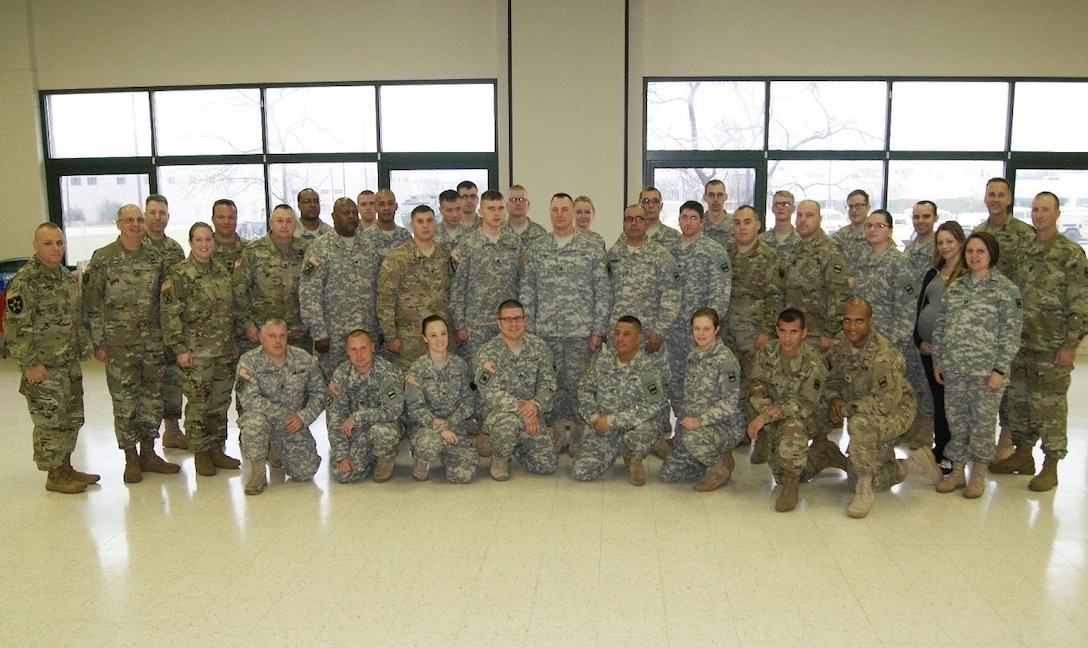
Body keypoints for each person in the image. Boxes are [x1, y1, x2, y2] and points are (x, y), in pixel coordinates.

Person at [991, 192, 1088, 491]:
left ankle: (1051, 465)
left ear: (1057, 214)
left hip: (1052, 345)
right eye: (1035, 209)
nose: (1039, 215)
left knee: (1049, 406)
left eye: (1045, 209)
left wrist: (1071, 343)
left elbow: (1080, 303)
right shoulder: (1023, 251)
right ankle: (1023, 455)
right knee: (1017, 402)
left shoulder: (1070, 253)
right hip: (1020, 343)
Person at [83, 204, 180, 483]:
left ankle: (149, 453)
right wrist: (99, 342)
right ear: (118, 224)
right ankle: (131, 458)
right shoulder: (103, 259)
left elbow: (166, 301)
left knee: (152, 399)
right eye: (129, 220)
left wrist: (167, 338)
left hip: (152, 342)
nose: (135, 225)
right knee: (125, 402)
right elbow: (91, 304)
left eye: (139, 220)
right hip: (119, 344)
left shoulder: (155, 258)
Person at [826, 298, 941, 518]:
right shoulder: (841, 343)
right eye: (847, 321)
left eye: (859, 321)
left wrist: (846, 409)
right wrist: (833, 400)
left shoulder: (883, 356)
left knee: (860, 426)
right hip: (862, 406)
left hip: (896, 411)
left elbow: (885, 402)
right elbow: (832, 380)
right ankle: (829, 453)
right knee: (822, 403)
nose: (852, 327)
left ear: (871, 321)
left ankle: (868, 488)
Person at [5, 223, 97, 493]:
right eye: (48, 243)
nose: (56, 248)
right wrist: (30, 364)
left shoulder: (64, 276)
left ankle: (65, 467)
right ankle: (54, 475)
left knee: (71, 418)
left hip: (67, 362)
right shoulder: (25, 282)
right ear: (35, 246)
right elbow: (16, 328)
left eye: (59, 242)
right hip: (43, 367)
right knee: (50, 422)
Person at [932, 232, 1022, 498]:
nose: (974, 256)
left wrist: (1000, 369)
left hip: (986, 373)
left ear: (991, 254)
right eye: (970, 251)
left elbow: (1011, 333)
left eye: (980, 251)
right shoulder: (957, 287)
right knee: (957, 423)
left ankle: (978, 476)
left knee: (981, 424)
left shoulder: (1005, 290)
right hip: (956, 369)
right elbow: (941, 326)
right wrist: (939, 360)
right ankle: (957, 472)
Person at [520, 193, 610, 455]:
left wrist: (598, 330)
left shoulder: (591, 248)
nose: (560, 214)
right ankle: (557, 433)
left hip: (581, 333)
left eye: (564, 209)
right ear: (549, 213)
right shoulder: (537, 249)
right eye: (555, 209)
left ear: (572, 212)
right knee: (552, 383)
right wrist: (531, 329)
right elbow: (528, 291)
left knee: (581, 384)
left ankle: (580, 435)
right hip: (546, 333)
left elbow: (602, 291)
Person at [160, 222, 240, 477]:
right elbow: (170, 315)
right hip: (196, 353)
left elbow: (229, 311)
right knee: (198, 404)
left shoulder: (220, 272)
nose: (204, 245)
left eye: (208, 240)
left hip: (223, 351)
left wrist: (233, 342)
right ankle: (201, 453)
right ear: (191, 242)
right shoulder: (179, 274)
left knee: (219, 403)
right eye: (199, 240)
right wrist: (179, 349)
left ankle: (217, 448)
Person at [606, 203, 681, 456]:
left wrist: (659, 331)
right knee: (623, 386)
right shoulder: (613, 254)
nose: (634, 223)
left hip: (649, 336)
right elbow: (605, 294)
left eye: (639, 218)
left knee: (655, 385)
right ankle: (628, 437)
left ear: (647, 223)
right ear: (624, 223)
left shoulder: (661, 256)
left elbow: (672, 296)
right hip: (620, 339)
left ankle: (657, 436)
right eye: (629, 219)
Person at [747, 308, 841, 512]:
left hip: (809, 417)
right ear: (776, 330)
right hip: (776, 415)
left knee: (791, 430)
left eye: (793, 332)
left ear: (804, 333)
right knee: (778, 473)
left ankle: (792, 486)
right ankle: (822, 457)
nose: (787, 338)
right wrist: (766, 410)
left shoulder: (813, 360)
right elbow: (756, 387)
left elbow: (805, 405)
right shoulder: (768, 352)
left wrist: (765, 416)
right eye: (783, 331)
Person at [976, 177, 1037, 461]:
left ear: (1009, 199)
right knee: (987, 381)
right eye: (991, 194)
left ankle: (1008, 436)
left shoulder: (1024, 234)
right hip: (984, 321)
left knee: (1011, 383)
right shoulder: (979, 232)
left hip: (1011, 317)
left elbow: (1031, 278)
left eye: (1001, 194)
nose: (996, 199)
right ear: (985, 199)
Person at [664, 201, 731, 443]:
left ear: (702, 222)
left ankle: (700, 432)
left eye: (693, 218)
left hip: (700, 334)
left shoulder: (714, 251)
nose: (688, 222)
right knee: (676, 383)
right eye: (684, 217)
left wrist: (708, 331)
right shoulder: (670, 250)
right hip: (674, 333)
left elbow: (720, 293)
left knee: (700, 386)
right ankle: (682, 431)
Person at [574, 316, 668, 486]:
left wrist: (612, 420)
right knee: (581, 471)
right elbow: (584, 390)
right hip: (605, 426)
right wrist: (594, 417)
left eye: (626, 334)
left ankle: (635, 457)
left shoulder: (648, 368)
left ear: (639, 339)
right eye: (617, 333)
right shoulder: (602, 361)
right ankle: (619, 448)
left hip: (634, 425)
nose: (620, 338)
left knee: (641, 433)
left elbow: (654, 405)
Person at [236, 318, 326, 495]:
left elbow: (321, 393)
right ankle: (258, 473)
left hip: (293, 425)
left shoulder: (304, 360)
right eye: (272, 336)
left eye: (282, 336)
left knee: (306, 471)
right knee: (254, 423)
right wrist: (284, 414)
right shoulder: (248, 362)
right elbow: (248, 399)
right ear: (261, 338)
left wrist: (303, 417)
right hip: (265, 421)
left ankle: (276, 451)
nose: (278, 341)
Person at [725, 205, 784, 464]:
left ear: (758, 225)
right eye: (737, 223)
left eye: (747, 222)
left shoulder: (768, 257)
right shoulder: (726, 254)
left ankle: (762, 438)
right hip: (728, 332)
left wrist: (766, 331)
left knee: (757, 386)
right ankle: (741, 432)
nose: (742, 227)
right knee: (734, 384)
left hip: (755, 333)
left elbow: (776, 297)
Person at [660, 308, 742, 491]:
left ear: (717, 329)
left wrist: (699, 422)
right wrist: (683, 426)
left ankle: (718, 469)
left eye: (706, 329)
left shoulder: (726, 360)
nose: (701, 334)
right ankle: (713, 456)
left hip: (724, 426)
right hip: (696, 428)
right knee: (669, 474)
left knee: (693, 441)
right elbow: (689, 397)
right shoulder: (693, 355)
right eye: (696, 329)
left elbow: (729, 403)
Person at [475, 300, 557, 481]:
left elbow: (549, 384)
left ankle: (514, 445)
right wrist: (525, 412)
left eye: (518, 318)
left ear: (525, 321)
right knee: (508, 424)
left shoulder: (539, 347)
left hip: (532, 412)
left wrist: (535, 405)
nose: (514, 324)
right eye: (508, 319)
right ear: (499, 323)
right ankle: (500, 458)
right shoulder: (487, 352)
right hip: (500, 415)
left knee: (547, 465)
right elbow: (490, 393)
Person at [299, 196, 381, 379]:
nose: (351, 217)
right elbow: (309, 294)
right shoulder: (319, 248)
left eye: (354, 213)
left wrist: (381, 329)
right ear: (333, 216)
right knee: (335, 386)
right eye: (345, 213)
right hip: (333, 338)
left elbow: (380, 291)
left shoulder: (369, 248)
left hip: (366, 333)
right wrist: (319, 333)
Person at [914, 221, 967, 471]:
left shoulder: (968, 274)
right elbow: (921, 307)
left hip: (953, 353)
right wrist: (919, 339)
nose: (945, 247)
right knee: (939, 401)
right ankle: (941, 449)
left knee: (952, 405)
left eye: (950, 241)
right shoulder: (933, 272)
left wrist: (943, 348)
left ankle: (952, 455)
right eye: (941, 242)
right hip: (928, 350)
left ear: (960, 241)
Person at [450, 190, 523, 365]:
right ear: (480, 212)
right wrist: (460, 325)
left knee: (507, 370)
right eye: (490, 208)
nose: (496, 213)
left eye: (499, 208)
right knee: (479, 373)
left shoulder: (514, 243)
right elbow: (457, 287)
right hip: (477, 325)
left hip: (508, 323)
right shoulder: (468, 244)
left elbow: (521, 284)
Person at [377, 205, 453, 370]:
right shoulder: (397, 258)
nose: (425, 226)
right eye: (420, 221)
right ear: (412, 225)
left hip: (440, 339)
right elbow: (385, 300)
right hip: (409, 341)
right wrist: (390, 337)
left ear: (436, 223)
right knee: (410, 388)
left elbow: (455, 295)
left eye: (429, 221)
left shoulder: (446, 256)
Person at [405, 315, 478, 483]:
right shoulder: (416, 369)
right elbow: (415, 408)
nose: (440, 339)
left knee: (463, 476)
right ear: (424, 338)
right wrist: (439, 428)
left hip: (454, 427)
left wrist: (450, 423)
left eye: (443, 334)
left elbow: (468, 402)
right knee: (429, 443)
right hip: (426, 429)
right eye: (433, 335)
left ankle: (447, 453)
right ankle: (421, 460)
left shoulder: (460, 366)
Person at [233, 204, 312, 356]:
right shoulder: (253, 252)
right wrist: (248, 324)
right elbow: (239, 291)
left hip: (298, 333)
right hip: (262, 333)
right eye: (279, 221)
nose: (284, 225)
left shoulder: (306, 251)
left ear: (295, 225)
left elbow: (314, 289)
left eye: (289, 221)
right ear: (271, 223)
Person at [326, 329, 404, 483]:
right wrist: (342, 455)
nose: (359, 355)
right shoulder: (341, 374)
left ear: (373, 348)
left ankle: (385, 458)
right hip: (356, 431)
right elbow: (334, 416)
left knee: (381, 432)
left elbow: (394, 411)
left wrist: (358, 416)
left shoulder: (388, 372)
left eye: (363, 348)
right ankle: (367, 458)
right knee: (344, 475)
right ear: (347, 352)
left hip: (385, 426)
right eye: (353, 350)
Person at [143, 194, 188, 450]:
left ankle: (172, 430)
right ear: (146, 215)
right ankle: (147, 442)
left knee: (172, 380)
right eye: (153, 213)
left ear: (168, 217)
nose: (158, 218)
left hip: (169, 327)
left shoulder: (174, 249)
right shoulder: (136, 247)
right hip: (143, 330)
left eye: (162, 213)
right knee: (147, 386)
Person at [783, 199, 850, 352]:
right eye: (799, 215)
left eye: (809, 215)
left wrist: (830, 333)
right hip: (795, 332)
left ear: (819, 219)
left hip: (818, 336)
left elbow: (839, 295)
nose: (803, 220)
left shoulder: (830, 251)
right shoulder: (796, 249)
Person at [360, 188, 412, 258]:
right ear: (375, 207)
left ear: (396, 206)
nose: (386, 208)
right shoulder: (365, 238)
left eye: (390, 204)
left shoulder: (405, 236)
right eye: (382, 204)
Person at [831, 189, 871, 270]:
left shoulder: (877, 236)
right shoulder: (838, 238)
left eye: (858, 206)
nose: (854, 210)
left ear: (868, 207)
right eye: (850, 206)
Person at [759, 190, 801, 264]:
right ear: (772, 209)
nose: (780, 207)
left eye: (785, 204)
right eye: (777, 204)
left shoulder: (801, 241)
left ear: (793, 208)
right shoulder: (761, 240)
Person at [210, 198, 249, 269]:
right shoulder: (204, 250)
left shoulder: (250, 250)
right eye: (221, 217)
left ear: (236, 219)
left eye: (231, 217)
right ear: (213, 219)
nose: (226, 222)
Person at [904, 200, 939, 280]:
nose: (920, 221)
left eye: (926, 216)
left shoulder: (941, 249)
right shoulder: (909, 248)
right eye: (916, 217)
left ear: (936, 218)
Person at [701, 179, 734, 247]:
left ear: (726, 197)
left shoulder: (736, 224)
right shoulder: (698, 224)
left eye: (719, 195)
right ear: (705, 197)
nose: (715, 199)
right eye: (711, 195)